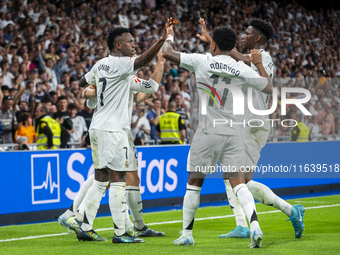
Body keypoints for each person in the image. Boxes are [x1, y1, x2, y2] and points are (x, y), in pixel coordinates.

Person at [162, 22, 273, 248]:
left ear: (212, 44)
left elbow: (166, 53)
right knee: (239, 184)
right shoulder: (241, 67)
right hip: (233, 133)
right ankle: (254, 226)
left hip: (207, 131)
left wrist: (170, 36)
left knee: (194, 184)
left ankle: (186, 234)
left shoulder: (201, 60)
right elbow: (268, 87)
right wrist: (259, 64)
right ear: (233, 46)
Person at [197, 18, 305, 239]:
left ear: (257, 38)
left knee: (238, 179)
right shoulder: (252, 59)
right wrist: (212, 41)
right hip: (249, 123)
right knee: (236, 177)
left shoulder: (260, 57)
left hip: (250, 123)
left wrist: (217, 41)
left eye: (246, 33)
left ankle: (280, 214)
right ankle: (245, 224)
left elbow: (237, 58)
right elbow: (226, 57)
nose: (242, 36)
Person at [71, 21, 172, 243]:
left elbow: (80, 82)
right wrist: (163, 39)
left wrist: (93, 90)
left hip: (97, 127)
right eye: (130, 42)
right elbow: (143, 60)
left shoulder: (100, 65)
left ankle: (85, 227)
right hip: (114, 130)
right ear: (118, 45)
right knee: (118, 179)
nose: (134, 45)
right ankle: (121, 233)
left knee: (100, 180)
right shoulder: (122, 64)